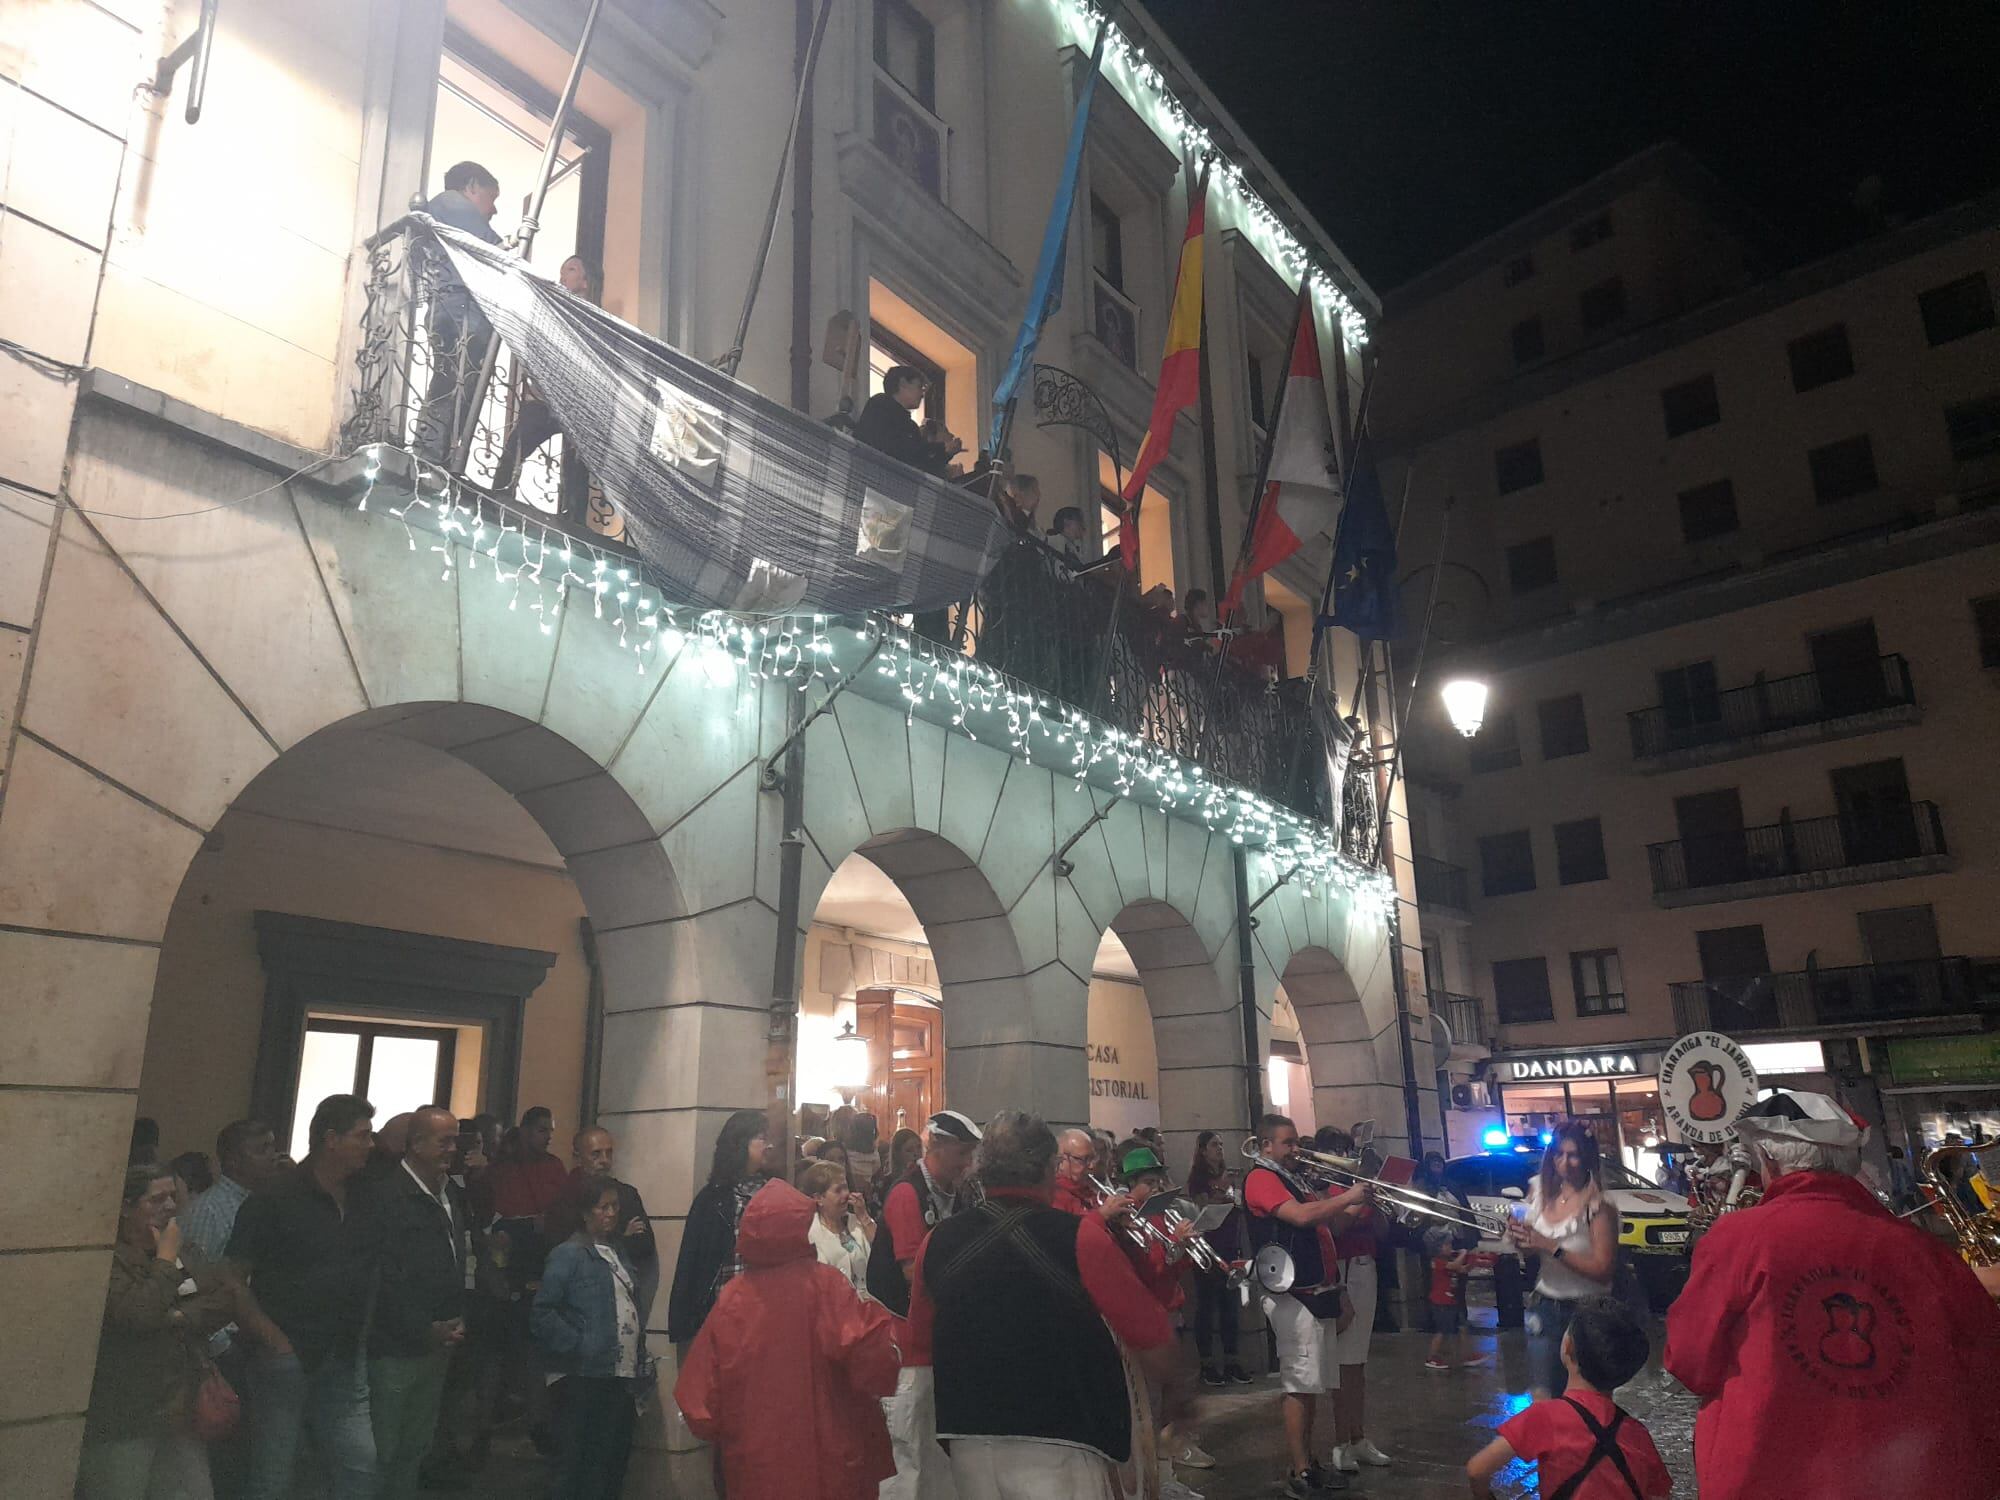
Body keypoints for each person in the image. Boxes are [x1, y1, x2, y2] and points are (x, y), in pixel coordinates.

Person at [1665, 1090, 2000, 1500]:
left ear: (1769, 1162)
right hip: (1911, 1479)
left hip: (1771, 1477)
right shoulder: (1924, 1250)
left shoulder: (1739, 1239)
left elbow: (1688, 1361)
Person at [910, 1110, 1180, 1500]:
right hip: (1062, 1437)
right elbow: (1149, 1333)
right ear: (1049, 1168)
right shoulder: (1081, 1238)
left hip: (967, 1436)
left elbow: (920, 1352)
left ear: (980, 1168)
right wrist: (1181, 1396)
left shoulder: (937, 1242)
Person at [676, 1179, 902, 1500]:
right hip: (830, 1461)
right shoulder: (826, 1287)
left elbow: (697, 1400)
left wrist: (735, 1434)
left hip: (756, 1468)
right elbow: (874, 1360)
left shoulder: (733, 1300)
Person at [79, 1164, 288, 1500]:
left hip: (182, 1406)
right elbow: (139, 1312)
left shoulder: (185, 1249)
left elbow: (225, 1297)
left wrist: (176, 1316)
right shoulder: (110, 1258)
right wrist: (164, 1259)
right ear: (125, 1207)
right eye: (156, 1200)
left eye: (173, 1198)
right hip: (127, 1411)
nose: (170, 1207)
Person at [226, 1095, 377, 1500]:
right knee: (274, 1471)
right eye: (362, 1136)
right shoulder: (274, 1198)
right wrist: (274, 1341)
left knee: (359, 1463)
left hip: (344, 1351)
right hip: (286, 1353)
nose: (370, 1145)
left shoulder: (364, 1195)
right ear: (332, 1139)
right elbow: (233, 1279)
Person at [343, 1105, 467, 1500]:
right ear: (415, 1144)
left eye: (455, 1140)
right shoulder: (385, 1194)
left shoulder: (451, 1192)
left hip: (439, 1341)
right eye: (443, 1140)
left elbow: (453, 1259)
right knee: (383, 1447)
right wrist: (420, 1327)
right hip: (394, 1347)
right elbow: (384, 1276)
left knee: (415, 1446)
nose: (452, 1149)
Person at [1243, 1113, 1370, 1497]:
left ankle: (1308, 1463)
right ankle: (1298, 1470)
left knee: (1311, 1384)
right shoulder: (1261, 1177)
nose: (1297, 1149)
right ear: (1266, 1146)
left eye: (1296, 1141)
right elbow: (1299, 1216)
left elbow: (1327, 1227)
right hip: (1292, 1293)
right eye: (1288, 1143)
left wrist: (1365, 1201)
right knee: (1299, 1384)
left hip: (1316, 1290)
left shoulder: (1294, 1179)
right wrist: (1349, 1195)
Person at [867, 1108, 980, 1500]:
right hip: (906, 1347)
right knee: (906, 1450)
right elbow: (911, 1270)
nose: (967, 1163)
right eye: (961, 1153)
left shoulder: (956, 1193)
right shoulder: (906, 1192)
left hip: (937, 1345)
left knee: (935, 1455)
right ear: (936, 1145)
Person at [1467, 1296, 1670, 1500]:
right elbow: (1659, 1493)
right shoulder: (1637, 1434)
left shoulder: (1545, 1417)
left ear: (1568, 1347)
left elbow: (1477, 1469)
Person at [533, 1176, 654, 1500]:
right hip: (583, 1374)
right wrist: (578, 1343)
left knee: (610, 1459)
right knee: (577, 1461)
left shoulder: (616, 1252)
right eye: (603, 1207)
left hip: (618, 1373)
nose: (611, 1214)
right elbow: (544, 1311)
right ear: (586, 1213)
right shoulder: (568, 1254)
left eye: (615, 1206)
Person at [1303, 1127, 1389, 1476]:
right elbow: (1335, 1227)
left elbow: (1383, 1231)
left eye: (1346, 1149)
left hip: (1366, 1267)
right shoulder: (1323, 1190)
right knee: (1342, 1364)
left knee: (1359, 1362)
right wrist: (1357, 1201)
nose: (1345, 1155)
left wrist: (1379, 1202)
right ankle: (1340, 1442)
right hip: (1340, 1270)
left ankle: (1358, 1436)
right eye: (1338, 1150)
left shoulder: (1354, 1187)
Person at [1510, 1121, 1618, 1400]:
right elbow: (1532, 1253)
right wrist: (1523, 1243)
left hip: (1588, 1313)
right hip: (1545, 1306)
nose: (1565, 1162)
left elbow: (1603, 1270)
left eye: (1574, 1155)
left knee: (1590, 1402)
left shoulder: (1599, 1206)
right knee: (1542, 1398)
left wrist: (1552, 1246)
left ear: (1587, 1158)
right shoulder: (1541, 1196)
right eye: (1559, 1154)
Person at [417, 161, 503, 465]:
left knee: (457, 382)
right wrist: (507, 250)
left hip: (457, 307)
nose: (493, 210)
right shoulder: (450, 202)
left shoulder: (445, 209)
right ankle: (429, 454)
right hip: (459, 309)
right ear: (472, 186)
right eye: (491, 198)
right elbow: (490, 245)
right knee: (452, 381)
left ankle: (438, 452)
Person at [666, 1108, 772, 1351]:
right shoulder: (713, 1199)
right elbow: (691, 1264)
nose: (768, 1145)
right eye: (762, 1138)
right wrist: (684, 1325)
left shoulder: (773, 1191)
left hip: (765, 1308)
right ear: (741, 1143)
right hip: (722, 1312)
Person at [541, 1126, 659, 1320]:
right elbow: (558, 1248)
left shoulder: (627, 1195)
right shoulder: (565, 1199)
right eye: (596, 1154)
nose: (604, 1160)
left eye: (608, 1153)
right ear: (578, 1157)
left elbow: (643, 1245)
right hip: (579, 1305)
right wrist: (620, 1238)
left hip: (624, 1301)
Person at [1184, 1131, 1250, 1386]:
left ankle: (1233, 1361)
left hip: (1230, 1245)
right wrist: (1222, 1190)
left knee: (1230, 1307)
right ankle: (1207, 1364)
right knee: (1207, 1307)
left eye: (1221, 1145)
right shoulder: (1198, 1178)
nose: (1219, 1149)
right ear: (1202, 1150)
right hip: (1208, 1249)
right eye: (1214, 1145)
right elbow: (1203, 1209)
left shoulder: (1226, 1174)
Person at [184, 1119, 278, 1264]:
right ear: (232, 1160)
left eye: (273, 1148)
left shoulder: (268, 1201)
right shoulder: (209, 1210)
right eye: (261, 1150)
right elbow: (195, 1276)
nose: (273, 1157)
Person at [854, 365, 962, 477]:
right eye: (920, 387)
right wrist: (942, 448)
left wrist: (946, 453)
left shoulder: (910, 426)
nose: (922, 394)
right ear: (903, 384)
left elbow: (921, 465)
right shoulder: (879, 407)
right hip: (872, 477)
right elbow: (903, 451)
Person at [803, 1158, 875, 1296]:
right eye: (838, 1190)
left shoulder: (856, 1222)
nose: (846, 1194)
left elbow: (881, 1250)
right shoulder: (810, 1234)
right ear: (818, 1198)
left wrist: (864, 1216)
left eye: (846, 1187)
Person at [875, 1127, 921, 1205]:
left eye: (919, 1147)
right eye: (909, 1150)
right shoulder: (885, 1183)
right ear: (897, 1155)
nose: (916, 1153)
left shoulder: (927, 1179)